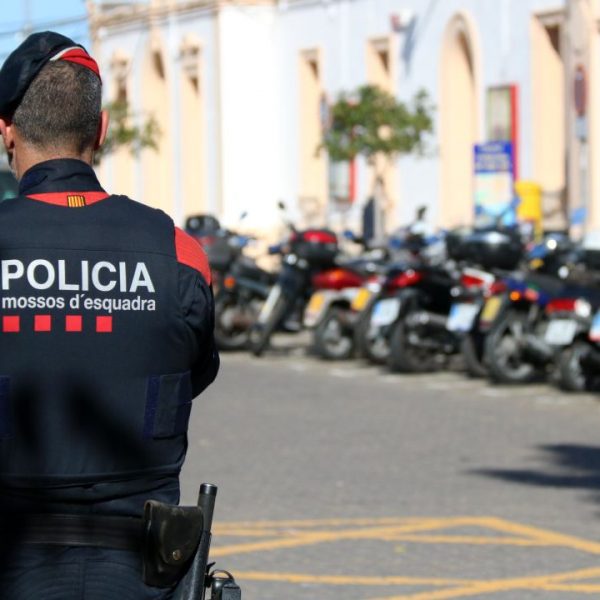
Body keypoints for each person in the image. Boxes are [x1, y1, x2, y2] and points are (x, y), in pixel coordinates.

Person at [0, 31, 219, 599]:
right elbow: (195, 372)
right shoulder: (180, 253)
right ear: (100, 130)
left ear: (6, 131)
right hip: (143, 571)